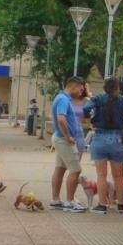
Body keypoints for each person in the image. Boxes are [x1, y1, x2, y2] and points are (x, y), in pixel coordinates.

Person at [84, 77, 123, 214]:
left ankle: (102, 205)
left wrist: (89, 123)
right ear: (117, 87)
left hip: (100, 138)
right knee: (118, 176)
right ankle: (120, 205)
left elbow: (86, 108)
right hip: (118, 139)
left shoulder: (97, 99)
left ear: (104, 87)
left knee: (101, 175)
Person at [50, 76, 88, 212]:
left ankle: (55, 200)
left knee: (60, 168)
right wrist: (68, 136)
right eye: (80, 89)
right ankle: (70, 201)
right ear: (73, 87)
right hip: (64, 139)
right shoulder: (64, 100)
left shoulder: (62, 98)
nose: (80, 92)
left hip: (60, 138)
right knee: (76, 169)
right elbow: (61, 119)